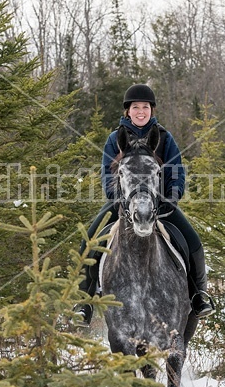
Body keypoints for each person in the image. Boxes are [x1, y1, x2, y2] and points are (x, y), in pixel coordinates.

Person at [75, 83, 215, 326]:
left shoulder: (164, 138)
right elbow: (108, 176)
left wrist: (171, 197)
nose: (141, 112)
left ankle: (198, 296)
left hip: (160, 206)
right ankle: (84, 302)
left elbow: (176, 171)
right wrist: (117, 198)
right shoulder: (114, 139)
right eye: (136, 107)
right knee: (89, 242)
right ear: (128, 111)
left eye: (145, 107)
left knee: (193, 242)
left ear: (152, 110)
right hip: (123, 205)